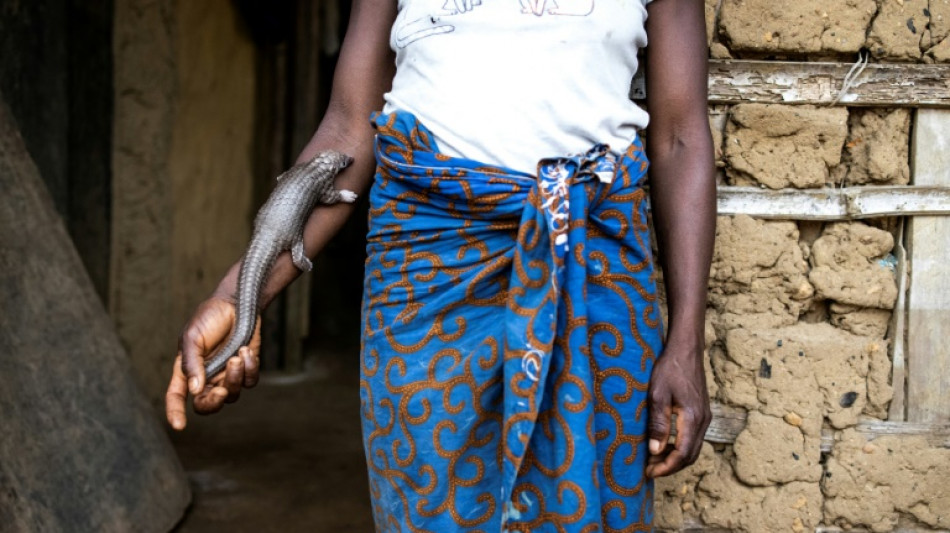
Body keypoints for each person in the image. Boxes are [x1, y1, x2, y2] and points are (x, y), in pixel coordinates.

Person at [165, 0, 715, 530]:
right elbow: (351, 127)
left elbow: (680, 138)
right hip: (426, 281)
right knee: (431, 503)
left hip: (592, 275)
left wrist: (686, 339)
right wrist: (239, 295)